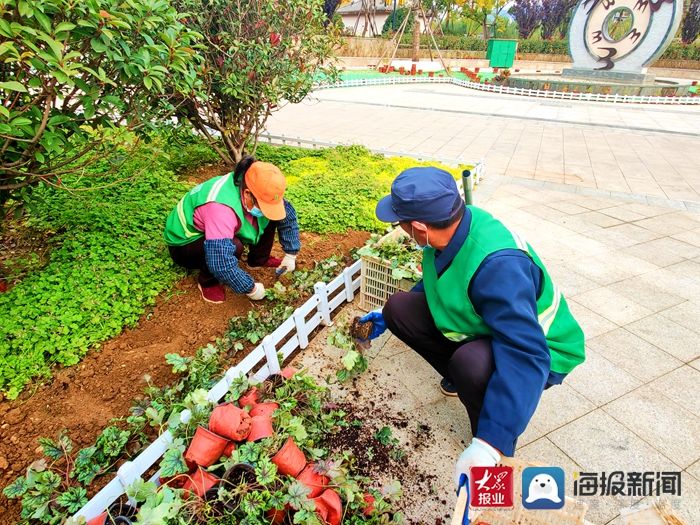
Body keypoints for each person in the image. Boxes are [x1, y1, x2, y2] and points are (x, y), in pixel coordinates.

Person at [359, 166, 585, 487]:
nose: (402, 230)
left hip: (542, 349)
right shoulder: (450, 229)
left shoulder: (498, 266)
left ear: (420, 228)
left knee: (471, 364)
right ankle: (465, 377)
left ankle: (492, 439)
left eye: (401, 223)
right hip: (492, 326)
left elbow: (526, 354)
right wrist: (386, 316)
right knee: (398, 308)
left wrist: (489, 443)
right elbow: (440, 280)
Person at [163, 156, 300, 303]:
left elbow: (287, 216)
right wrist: (251, 288)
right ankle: (208, 282)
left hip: (216, 225)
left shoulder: (257, 185)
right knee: (234, 247)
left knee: (270, 214)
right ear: (247, 194)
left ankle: (259, 259)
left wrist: (291, 254)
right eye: (261, 204)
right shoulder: (220, 208)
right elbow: (220, 261)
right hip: (186, 243)